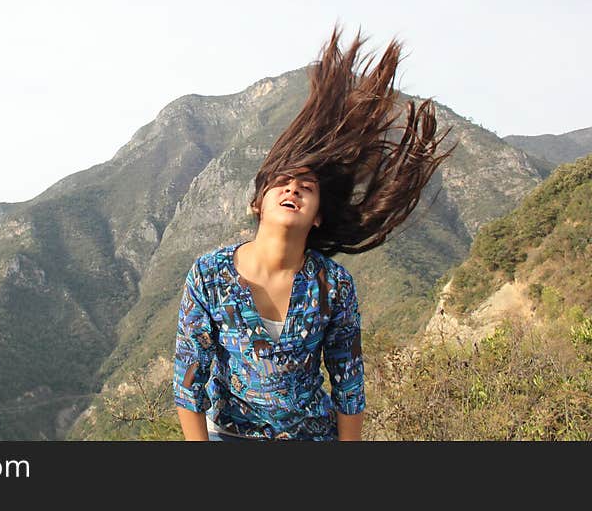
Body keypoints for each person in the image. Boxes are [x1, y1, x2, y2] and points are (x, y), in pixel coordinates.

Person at [172, 24, 457, 441]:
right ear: (258, 203)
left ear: (318, 215)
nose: (293, 188)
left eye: (307, 187)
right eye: (283, 182)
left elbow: (348, 382)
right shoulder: (210, 275)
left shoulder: (333, 285)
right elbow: (189, 378)